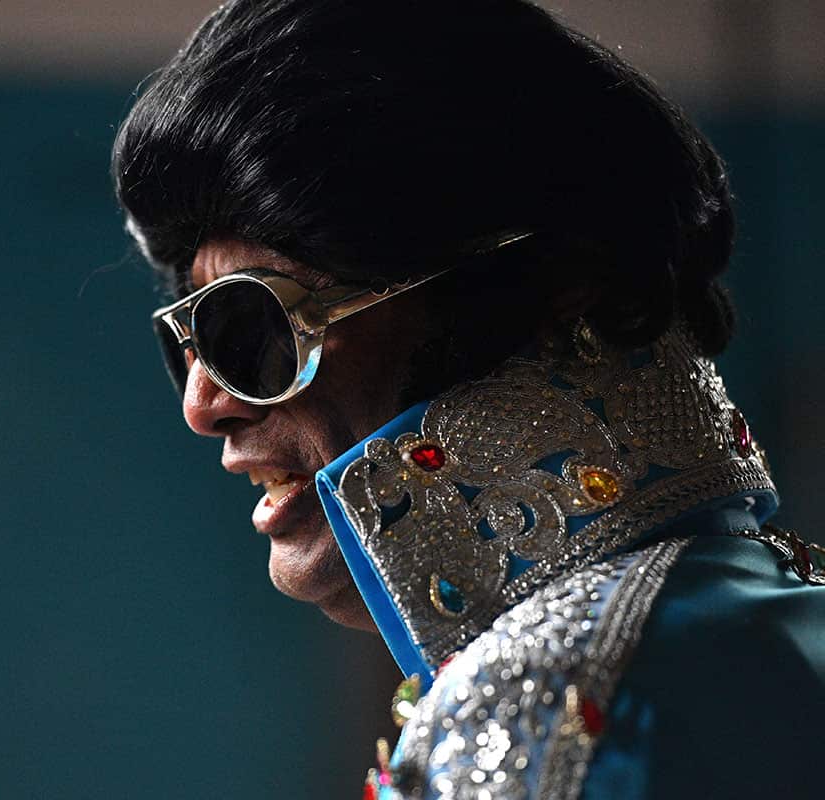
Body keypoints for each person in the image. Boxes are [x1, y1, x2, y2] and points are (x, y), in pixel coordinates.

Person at [112, 1, 825, 798]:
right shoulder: (781, 615)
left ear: (554, 291)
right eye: (191, 346)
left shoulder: (551, 700)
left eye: (250, 327)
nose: (205, 404)